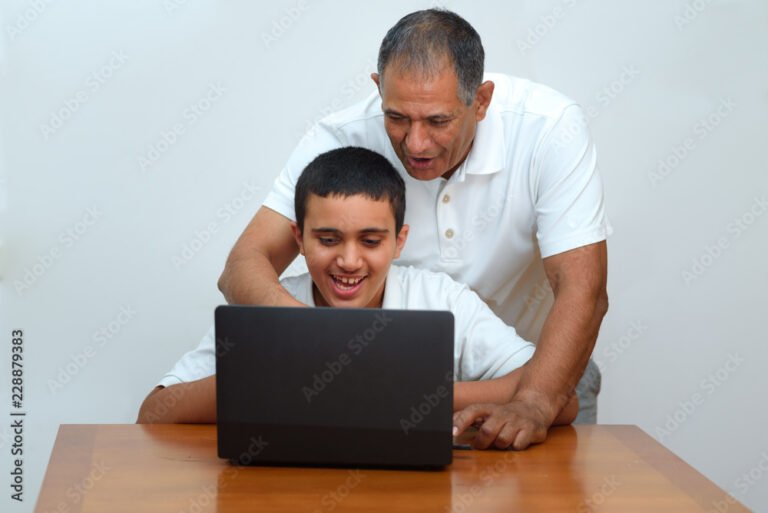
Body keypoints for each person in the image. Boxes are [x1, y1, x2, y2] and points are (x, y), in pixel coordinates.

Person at [217, 9, 610, 449]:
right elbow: (241, 265)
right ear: (378, 88)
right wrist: (317, 340)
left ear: (481, 101)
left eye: (438, 121)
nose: (416, 143)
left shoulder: (550, 128)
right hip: (375, 384)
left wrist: (535, 401)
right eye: (397, 118)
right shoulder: (339, 136)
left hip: (538, 376)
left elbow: (584, 289)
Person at [137, 147, 578, 440]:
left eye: (370, 241)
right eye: (328, 239)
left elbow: (563, 399)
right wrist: (271, 385)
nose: (349, 261)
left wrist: (417, 395)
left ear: (399, 242)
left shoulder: (442, 299)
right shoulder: (266, 307)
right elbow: (154, 412)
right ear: (299, 237)